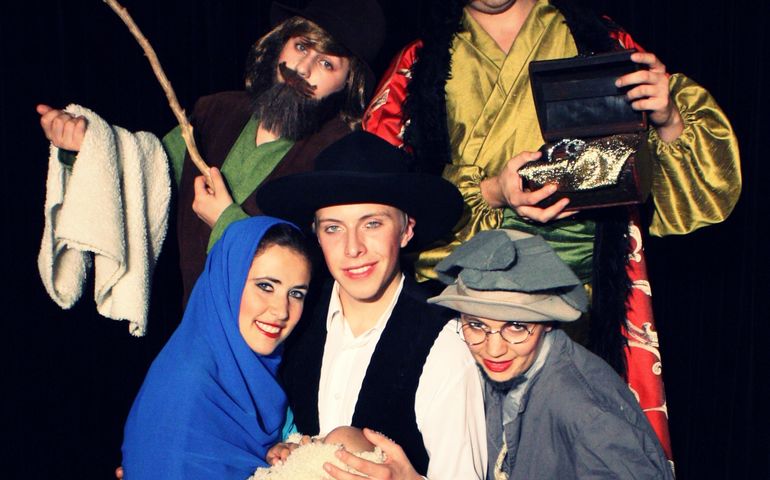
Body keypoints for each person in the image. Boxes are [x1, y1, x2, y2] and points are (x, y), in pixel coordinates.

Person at [363, 0, 741, 458]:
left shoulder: (599, 41)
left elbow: (697, 191)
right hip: (465, 305)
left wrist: (668, 118)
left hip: (582, 301)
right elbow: (380, 201)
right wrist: (491, 191)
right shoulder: (417, 63)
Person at [37, 0, 386, 305]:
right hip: (193, 325)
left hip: (275, 345)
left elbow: (316, 265)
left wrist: (226, 221)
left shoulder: (339, 154)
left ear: (348, 82)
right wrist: (90, 147)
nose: (302, 69)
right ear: (282, 43)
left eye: (327, 64)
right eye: (301, 46)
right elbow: (147, 171)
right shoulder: (216, 111)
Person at [326, 229, 675, 479]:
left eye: (517, 327)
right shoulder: (510, 370)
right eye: (476, 325)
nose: (494, 349)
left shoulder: (583, 410)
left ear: (547, 322)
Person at [255, 131, 488, 479]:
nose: (353, 248)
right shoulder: (296, 317)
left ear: (406, 230)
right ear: (316, 234)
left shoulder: (444, 342)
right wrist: (288, 449)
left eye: (372, 224)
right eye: (334, 228)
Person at [120, 216, 312, 479]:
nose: (281, 311)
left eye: (296, 294)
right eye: (265, 286)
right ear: (227, 283)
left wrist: (284, 455)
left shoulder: (259, 369)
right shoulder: (189, 387)